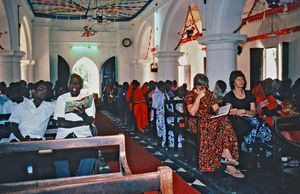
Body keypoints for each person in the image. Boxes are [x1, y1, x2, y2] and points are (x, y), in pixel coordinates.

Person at [184, 73, 243, 178]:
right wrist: (198, 98)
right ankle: (227, 158)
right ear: (196, 86)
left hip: (209, 119)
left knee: (224, 120)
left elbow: (216, 109)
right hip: (196, 122)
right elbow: (192, 112)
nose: (204, 89)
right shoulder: (190, 95)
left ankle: (227, 155)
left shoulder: (208, 94)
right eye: (202, 87)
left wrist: (223, 110)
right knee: (217, 125)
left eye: (206, 87)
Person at [53, 73, 96, 178]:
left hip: (83, 133)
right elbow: (61, 123)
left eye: (77, 83)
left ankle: (82, 178)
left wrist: (83, 114)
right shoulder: (62, 99)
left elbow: (91, 120)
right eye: (72, 83)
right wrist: (82, 122)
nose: (74, 85)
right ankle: (64, 180)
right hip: (64, 134)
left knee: (91, 152)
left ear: (81, 86)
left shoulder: (87, 99)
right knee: (59, 155)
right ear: (68, 84)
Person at [223, 70, 273, 159]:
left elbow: (253, 112)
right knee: (253, 124)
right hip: (236, 121)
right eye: (238, 79)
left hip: (249, 117)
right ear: (233, 82)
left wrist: (244, 111)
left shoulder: (249, 95)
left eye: (242, 79)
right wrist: (238, 112)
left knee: (262, 123)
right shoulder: (229, 96)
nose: (241, 81)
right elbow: (228, 112)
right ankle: (251, 149)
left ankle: (264, 150)